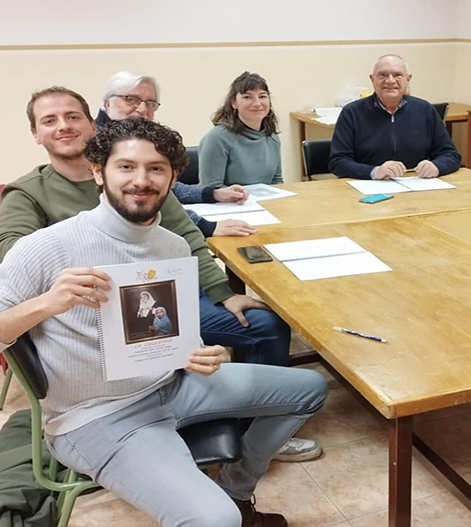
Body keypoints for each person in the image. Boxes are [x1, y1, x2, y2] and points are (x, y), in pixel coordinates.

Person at [0, 118, 329, 527]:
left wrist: (195, 353)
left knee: (310, 389)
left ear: (173, 178)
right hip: (96, 416)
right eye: (126, 167)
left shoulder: (172, 246)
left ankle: (237, 490)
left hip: (173, 385)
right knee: (215, 521)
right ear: (97, 172)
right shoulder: (45, 248)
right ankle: (228, 508)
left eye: (156, 168)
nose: (142, 180)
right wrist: (47, 303)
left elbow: (166, 333)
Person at [96, 71, 255, 239]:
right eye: (131, 99)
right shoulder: (97, 147)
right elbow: (146, 204)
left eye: (150, 103)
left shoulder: (137, 138)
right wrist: (206, 226)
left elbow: (163, 187)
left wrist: (212, 194)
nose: (142, 109)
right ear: (108, 104)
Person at [328, 54, 461, 180]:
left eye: (397, 75)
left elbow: (451, 155)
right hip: (367, 185)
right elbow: (338, 162)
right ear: (372, 79)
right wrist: (374, 172)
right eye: (382, 75)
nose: (390, 81)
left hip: (417, 185)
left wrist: (437, 167)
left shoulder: (425, 110)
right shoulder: (352, 112)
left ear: (408, 79)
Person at [199, 72, 283, 188]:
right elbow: (211, 187)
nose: (257, 103)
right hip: (229, 204)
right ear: (234, 103)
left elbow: (277, 180)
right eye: (247, 97)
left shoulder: (272, 136)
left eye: (262, 96)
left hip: (264, 202)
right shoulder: (217, 138)